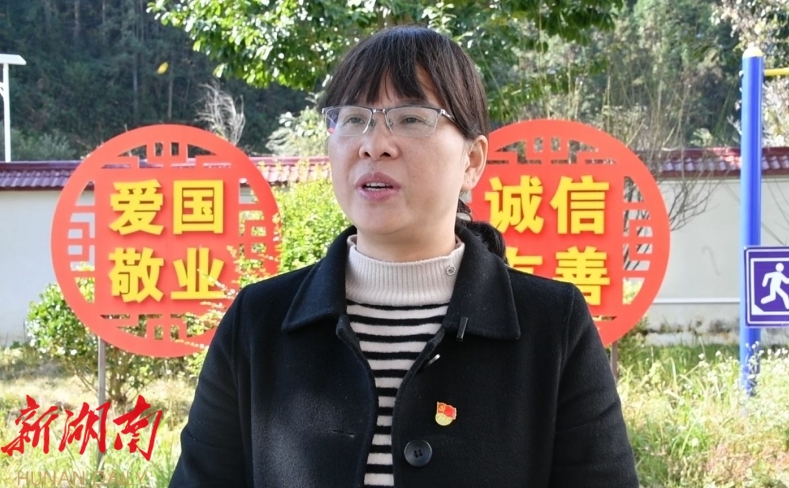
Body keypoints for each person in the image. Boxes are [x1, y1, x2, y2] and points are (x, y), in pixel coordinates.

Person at [169, 25, 639, 487]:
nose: (374, 144)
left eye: (411, 118)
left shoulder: (553, 326)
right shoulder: (258, 322)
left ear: (472, 161)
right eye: (354, 119)